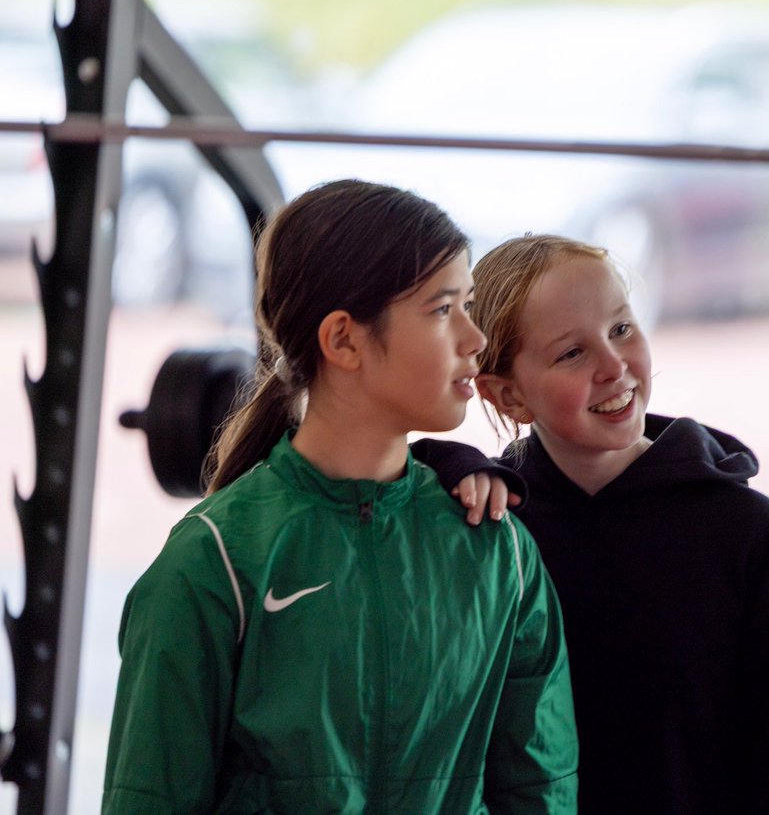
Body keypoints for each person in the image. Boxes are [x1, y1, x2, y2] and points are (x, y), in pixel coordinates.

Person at [102, 180, 578, 814]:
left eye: (469, 306)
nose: (475, 339)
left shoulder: (501, 553)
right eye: (443, 310)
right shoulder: (213, 562)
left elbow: (539, 792)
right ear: (344, 340)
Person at [414, 234, 769, 815]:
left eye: (621, 330)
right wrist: (442, 461)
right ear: (507, 395)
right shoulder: (494, 527)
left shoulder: (750, 534)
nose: (613, 367)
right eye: (571, 354)